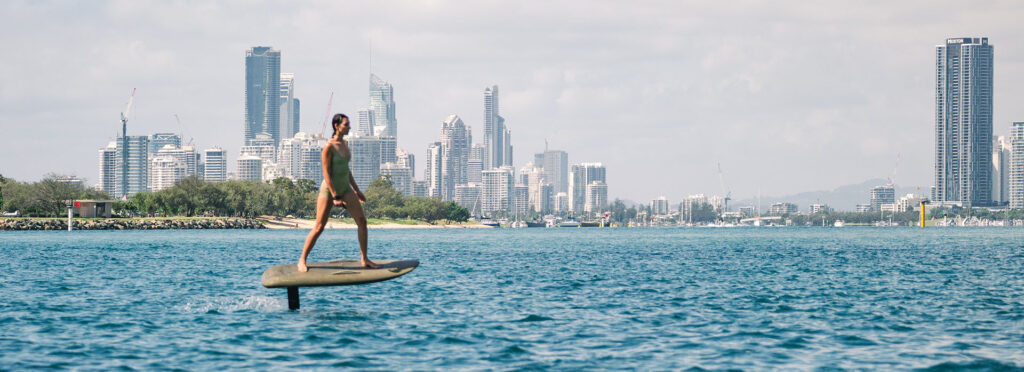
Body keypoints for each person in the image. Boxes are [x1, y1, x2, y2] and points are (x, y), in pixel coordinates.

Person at [297, 113, 379, 272]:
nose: (349, 127)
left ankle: (364, 259)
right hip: (329, 190)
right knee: (319, 226)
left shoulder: (346, 143)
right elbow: (326, 174)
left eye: (349, 125)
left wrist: (357, 190)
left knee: (362, 222)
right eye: (346, 125)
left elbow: (346, 170)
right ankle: (302, 260)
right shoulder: (329, 147)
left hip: (345, 188)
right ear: (336, 126)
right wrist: (335, 195)